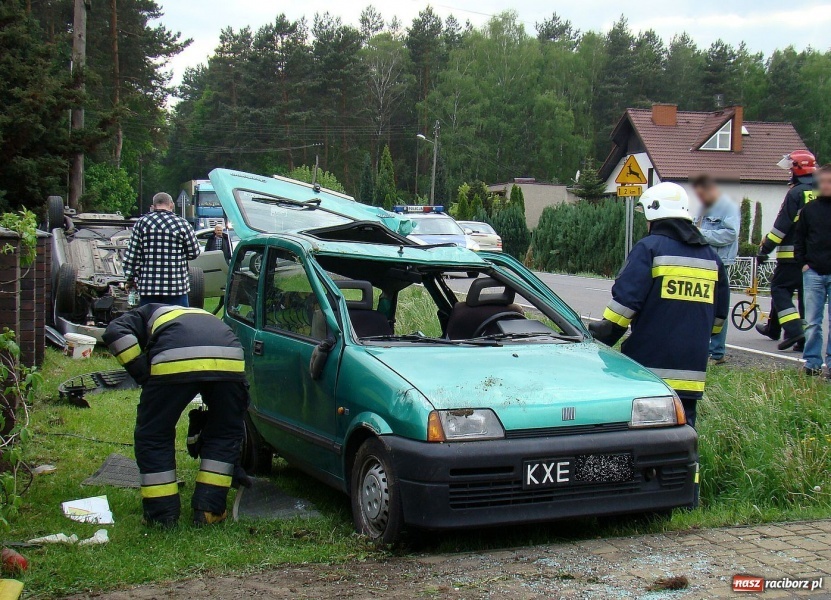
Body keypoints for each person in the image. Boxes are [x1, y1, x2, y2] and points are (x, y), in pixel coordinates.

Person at [589, 182, 730, 428]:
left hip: (648, 371)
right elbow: (718, 321)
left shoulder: (649, 249)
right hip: (692, 373)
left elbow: (623, 309)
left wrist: (598, 341)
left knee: (646, 444)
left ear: (654, 213)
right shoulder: (711, 258)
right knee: (682, 443)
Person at [103, 304, 249, 527]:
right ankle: (210, 510)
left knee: (154, 434)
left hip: (174, 357)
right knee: (224, 433)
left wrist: (141, 371)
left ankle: (162, 515)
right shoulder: (200, 314)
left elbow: (114, 333)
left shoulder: (141, 315)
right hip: (230, 360)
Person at [756, 150, 818, 350]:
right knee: (804, 297)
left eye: (791, 168)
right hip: (815, 257)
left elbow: (781, 227)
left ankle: (793, 330)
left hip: (791, 256)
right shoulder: (821, 191)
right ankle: (780, 331)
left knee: (780, 289)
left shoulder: (796, 193)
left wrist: (765, 248)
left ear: (798, 170)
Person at [691, 175, 739, 365]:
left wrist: (702, 234)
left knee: (718, 306)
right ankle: (702, 348)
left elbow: (731, 234)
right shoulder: (701, 209)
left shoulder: (728, 208)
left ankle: (717, 352)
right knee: (700, 303)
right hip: (702, 260)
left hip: (720, 262)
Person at [123, 192, 200, 307]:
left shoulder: (141, 223)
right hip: (176, 287)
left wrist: (130, 279)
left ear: (153, 206)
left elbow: (132, 256)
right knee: (177, 322)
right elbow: (194, 252)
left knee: (150, 322)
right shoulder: (182, 224)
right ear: (172, 205)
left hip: (148, 288)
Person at [794, 164, 831, 378]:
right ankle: (812, 362)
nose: (825, 186)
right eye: (822, 182)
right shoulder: (809, 210)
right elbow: (799, 239)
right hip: (813, 272)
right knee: (812, 322)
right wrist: (803, 264)